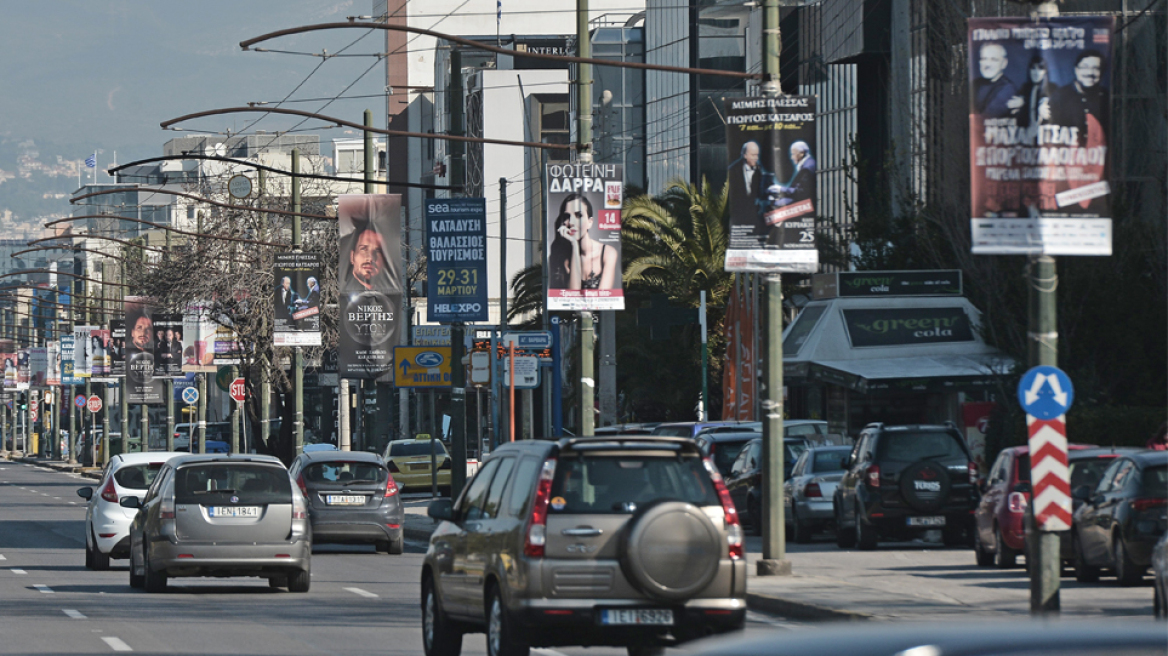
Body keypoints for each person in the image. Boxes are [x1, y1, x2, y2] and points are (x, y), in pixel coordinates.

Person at [549, 193, 618, 291]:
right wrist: (574, 245)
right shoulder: (562, 258)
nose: (571, 222)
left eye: (578, 215)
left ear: (590, 222)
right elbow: (573, 293)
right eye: (567, 216)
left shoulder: (608, 252)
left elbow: (603, 297)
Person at [1043, 49, 1108, 146]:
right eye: (1085, 67)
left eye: (1096, 68)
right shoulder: (1060, 96)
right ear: (1076, 70)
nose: (1090, 72)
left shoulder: (1105, 96)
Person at [726, 141, 773, 227]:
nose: (756, 158)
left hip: (756, 217)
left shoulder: (761, 172)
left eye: (757, 155)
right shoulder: (733, 170)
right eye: (753, 155)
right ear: (745, 155)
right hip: (738, 218)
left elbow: (765, 195)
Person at [767, 141, 817, 214]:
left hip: (804, 205)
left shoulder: (807, 168)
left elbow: (802, 193)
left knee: (773, 205)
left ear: (802, 153)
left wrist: (781, 189)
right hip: (803, 201)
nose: (791, 157)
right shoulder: (809, 164)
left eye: (793, 154)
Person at [972, 42, 1018, 119]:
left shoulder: (1007, 88)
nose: (987, 64)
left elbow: (985, 118)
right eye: (984, 59)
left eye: (994, 59)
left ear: (1004, 63)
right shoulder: (975, 83)